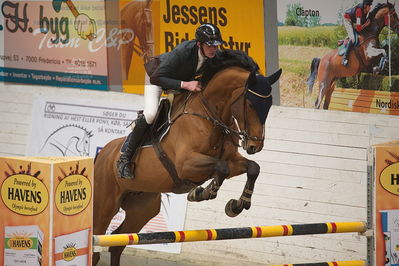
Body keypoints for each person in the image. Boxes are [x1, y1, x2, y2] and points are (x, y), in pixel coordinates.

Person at [117, 23, 224, 179]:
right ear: (199, 44)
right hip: (157, 78)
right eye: (210, 45)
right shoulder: (183, 52)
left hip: (179, 83)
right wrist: (187, 84)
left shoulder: (213, 55)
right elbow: (156, 78)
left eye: (216, 45)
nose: (214, 49)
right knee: (151, 114)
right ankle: (125, 158)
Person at [342, 0, 373, 66]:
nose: (370, 7)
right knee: (353, 38)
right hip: (347, 19)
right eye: (369, 6)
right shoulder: (359, 11)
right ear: (365, 6)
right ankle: (344, 58)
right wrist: (365, 25)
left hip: (352, 20)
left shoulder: (365, 11)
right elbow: (359, 28)